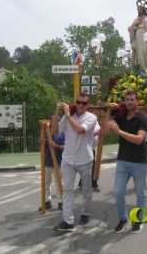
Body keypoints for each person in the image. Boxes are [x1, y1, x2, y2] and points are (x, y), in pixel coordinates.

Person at [104, 90, 147, 234]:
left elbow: (139, 139)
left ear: (137, 101)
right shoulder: (121, 117)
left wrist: (119, 131)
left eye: (132, 99)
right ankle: (123, 218)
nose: (129, 102)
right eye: (127, 99)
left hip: (139, 162)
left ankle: (139, 219)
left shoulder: (142, 119)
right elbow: (106, 131)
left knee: (140, 193)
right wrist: (109, 112)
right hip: (122, 161)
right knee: (117, 192)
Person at [52, 92, 97, 232]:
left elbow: (79, 130)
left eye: (84, 103)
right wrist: (57, 112)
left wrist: (68, 115)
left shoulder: (91, 117)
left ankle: (85, 212)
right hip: (68, 158)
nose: (80, 105)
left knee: (86, 188)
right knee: (67, 190)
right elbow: (54, 131)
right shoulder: (68, 116)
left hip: (84, 158)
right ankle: (67, 220)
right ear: (75, 102)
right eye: (78, 102)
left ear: (88, 105)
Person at [38, 117, 65, 212]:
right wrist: (40, 144)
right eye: (53, 121)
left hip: (59, 163)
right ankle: (47, 202)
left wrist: (56, 146)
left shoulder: (62, 133)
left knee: (59, 184)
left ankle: (61, 201)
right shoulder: (44, 133)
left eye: (57, 121)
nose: (55, 123)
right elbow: (39, 148)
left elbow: (66, 147)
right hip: (47, 163)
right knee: (46, 183)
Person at [78, 109, 103, 193]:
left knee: (87, 167)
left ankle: (82, 182)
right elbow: (83, 134)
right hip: (86, 148)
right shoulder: (86, 121)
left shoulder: (96, 122)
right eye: (91, 111)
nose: (94, 113)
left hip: (92, 147)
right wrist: (97, 134)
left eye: (94, 111)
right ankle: (94, 184)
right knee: (92, 167)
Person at [128, 0, 147, 72]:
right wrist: (134, 24)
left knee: (145, 51)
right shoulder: (136, 19)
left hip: (146, 37)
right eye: (138, 9)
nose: (139, 11)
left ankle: (145, 68)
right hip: (137, 36)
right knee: (138, 52)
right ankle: (138, 69)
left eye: (140, 9)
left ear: (144, 10)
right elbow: (130, 29)